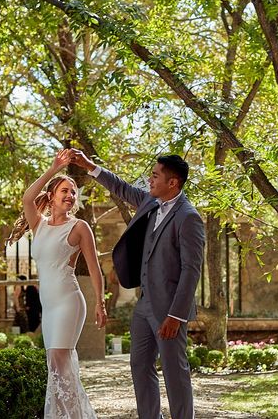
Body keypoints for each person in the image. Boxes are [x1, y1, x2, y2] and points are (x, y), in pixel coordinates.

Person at [70, 150, 205, 419]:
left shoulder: (188, 217)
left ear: (173, 183)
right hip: (144, 306)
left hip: (169, 311)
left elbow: (192, 270)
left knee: (174, 372)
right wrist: (90, 166)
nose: (149, 180)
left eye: (155, 176)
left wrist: (176, 316)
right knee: (140, 366)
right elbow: (121, 187)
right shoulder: (150, 202)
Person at [9, 148, 106, 418]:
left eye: (73, 192)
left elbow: (96, 269)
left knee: (60, 361)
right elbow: (28, 198)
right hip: (48, 306)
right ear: (52, 196)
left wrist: (100, 303)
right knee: (56, 365)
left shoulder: (79, 228)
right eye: (65, 190)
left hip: (68, 301)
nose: (70, 195)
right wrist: (53, 169)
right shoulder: (38, 224)